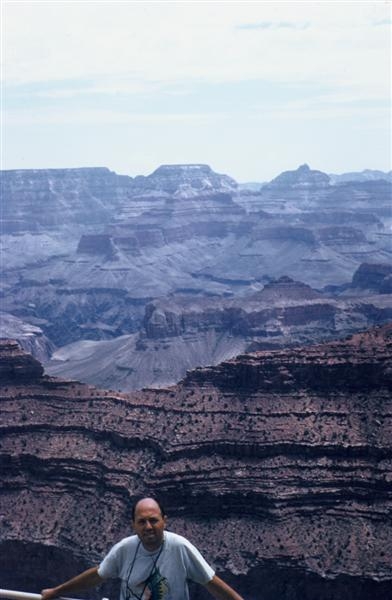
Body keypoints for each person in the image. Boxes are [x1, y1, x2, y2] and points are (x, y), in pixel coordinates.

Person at [41, 496, 244, 600]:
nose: (148, 527)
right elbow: (97, 575)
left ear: (164, 521)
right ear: (133, 525)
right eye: (142, 521)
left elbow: (212, 583)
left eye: (153, 520)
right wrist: (56, 591)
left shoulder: (180, 547)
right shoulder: (124, 549)